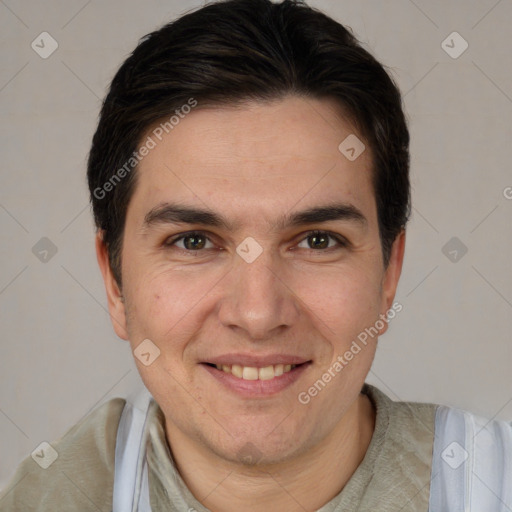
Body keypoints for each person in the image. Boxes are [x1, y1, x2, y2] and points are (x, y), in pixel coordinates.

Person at [1, 0, 511, 510]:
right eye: (194, 241)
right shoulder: (50, 497)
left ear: (388, 273)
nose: (258, 314)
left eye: (317, 240)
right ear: (115, 282)